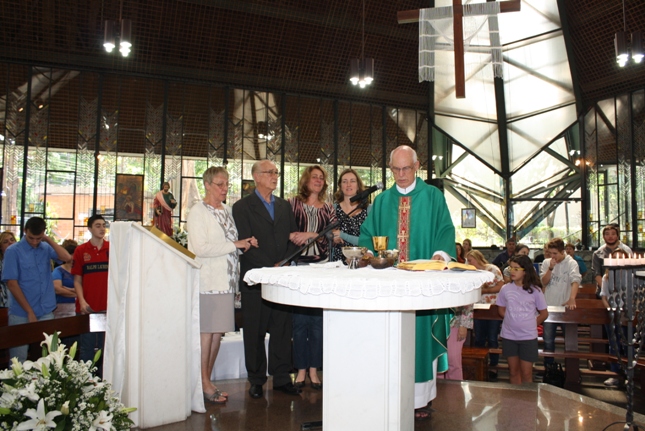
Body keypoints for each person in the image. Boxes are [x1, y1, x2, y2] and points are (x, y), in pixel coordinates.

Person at [358, 145, 455, 421]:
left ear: (417, 166)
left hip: (421, 286)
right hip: (388, 288)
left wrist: (440, 253)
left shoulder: (433, 197)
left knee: (419, 340)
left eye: (406, 168)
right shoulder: (381, 201)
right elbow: (367, 235)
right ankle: (386, 396)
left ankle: (420, 399)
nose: (401, 174)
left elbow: (446, 229)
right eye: (396, 169)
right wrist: (368, 253)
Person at [187, 166, 258, 404]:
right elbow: (200, 248)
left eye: (227, 184)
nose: (225, 188)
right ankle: (202, 384)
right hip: (208, 282)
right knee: (207, 334)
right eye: (220, 184)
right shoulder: (198, 212)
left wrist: (245, 243)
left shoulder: (227, 210)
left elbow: (231, 242)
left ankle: (206, 381)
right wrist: (235, 245)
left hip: (227, 282)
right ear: (207, 185)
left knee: (217, 334)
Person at [233, 159, 303, 399]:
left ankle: (282, 377)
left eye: (276, 172)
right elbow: (245, 243)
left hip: (281, 277)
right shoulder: (242, 207)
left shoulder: (284, 206)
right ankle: (256, 379)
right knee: (255, 330)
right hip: (256, 278)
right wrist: (268, 268)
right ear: (256, 176)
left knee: (282, 329)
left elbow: (292, 238)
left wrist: (284, 262)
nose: (275, 176)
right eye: (270, 172)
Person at [288, 165, 335, 389]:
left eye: (321, 178)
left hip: (321, 268)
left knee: (317, 324)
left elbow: (333, 235)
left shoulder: (328, 207)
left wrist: (311, 235)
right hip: (298, 266)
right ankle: (300, 370)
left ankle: (315, 370)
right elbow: (284, 230)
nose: (318, 180)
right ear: (306, 180)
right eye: (314, 177)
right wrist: (293, 235)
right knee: (299, 323)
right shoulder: (292, 204)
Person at [3, 217, 72, 362]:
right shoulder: (13, 251)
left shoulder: (45, 247)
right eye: (31, 238)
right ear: (25, 231)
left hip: (45, 310)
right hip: (21, 313)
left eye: (38, 238)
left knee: (51, 357)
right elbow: (12, 284)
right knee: (19, 359)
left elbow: (66, 257)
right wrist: (29, 311)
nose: (34, 242)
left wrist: (47, 239)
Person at [496, 255, 549, 384]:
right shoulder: (505, 289)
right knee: (513, 371)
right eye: (511, 268)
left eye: (516, 269)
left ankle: (527, 397)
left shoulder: (535, 290)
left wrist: (531, 324)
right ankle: (515, 396)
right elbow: (501, 310)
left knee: (526, 373)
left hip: (528, 337)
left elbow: (544, 313)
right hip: (509, 335)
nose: (512, 271)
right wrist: (511, 320)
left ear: (525, 271)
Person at [72, 214, 109, 375]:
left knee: (106, 349)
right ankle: (85, 381)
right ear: (89, 229)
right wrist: (82, 301)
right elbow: (77, 280)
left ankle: (104, 382)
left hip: (107, 308)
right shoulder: (81, 251)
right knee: (87, 348)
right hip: (87, 308)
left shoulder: (112, 249)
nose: (102, 228)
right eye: (98, 225)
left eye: (103, 225)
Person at [540, 238, 581, 366]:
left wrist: (572, 298)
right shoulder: (546, 262)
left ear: (562, 251)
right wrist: (550, 268)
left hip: (565, 306)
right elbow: (544, 282)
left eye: (555, 253)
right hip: (549, 306)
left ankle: (571, 368)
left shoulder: (571, 263)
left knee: (570, 340)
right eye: (550, 253)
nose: (553, 256)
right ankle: (549, 367)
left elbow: (575, 280)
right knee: (548, 340)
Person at [466, 250, 504, 381]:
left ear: (477, 259)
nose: (469, 263)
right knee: (479, 338)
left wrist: (485, 290)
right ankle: (479, 364)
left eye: (470, 260)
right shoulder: (471, 272)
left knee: (492, 338)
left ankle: (493, 365)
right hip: (478, 308)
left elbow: (500, 286)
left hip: (492, 307)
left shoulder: (492, 269)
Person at [598, 248, 630, 387]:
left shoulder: (631, 275)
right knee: (614, 344)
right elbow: (604, 296)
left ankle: (629, 374)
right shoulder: (607, 277)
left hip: (627, 314)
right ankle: (614, 374)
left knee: (627, 344)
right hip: (612, 313)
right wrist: (610, 309)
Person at [330, 168, 370, 264]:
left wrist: (343, 235)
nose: (348, 185)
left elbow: (368, 241)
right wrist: (332, 238)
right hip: (337, 264)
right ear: (340, 186)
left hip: (361, 263)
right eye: (344, 181)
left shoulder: (369, 209)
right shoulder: (332, 209)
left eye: (352, 181)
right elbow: (326, 236)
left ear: (358, 185)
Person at [592, 224, 631, 295]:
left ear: (617, 236)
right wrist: (606, 290)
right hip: (603, 292)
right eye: (607, 234)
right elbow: (596, 274)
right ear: (603, 236)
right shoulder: (598, 253)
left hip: (623, 291)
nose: (610, 236)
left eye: (613, 234)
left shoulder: (625, 251)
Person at [437, 303, 472, 381]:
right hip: (436, 322)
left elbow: (467, 302)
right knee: (437, 361)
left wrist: (464, 324)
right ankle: (438, 387)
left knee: (453, 360)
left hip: (455, 322)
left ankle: (455, 388)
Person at [53, 239, 78, 319]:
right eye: (72, 254)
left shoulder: (80, 271)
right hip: (61, 309)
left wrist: (67, 289)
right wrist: (78, 294)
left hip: (78, 307)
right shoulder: (58, 271)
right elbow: (58, 289)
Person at [0, 231, 17, 308]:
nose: (10, 243)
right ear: (0, 247)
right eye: (5, 242)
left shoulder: (24, 261)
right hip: (4, 302)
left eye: (12, 240)